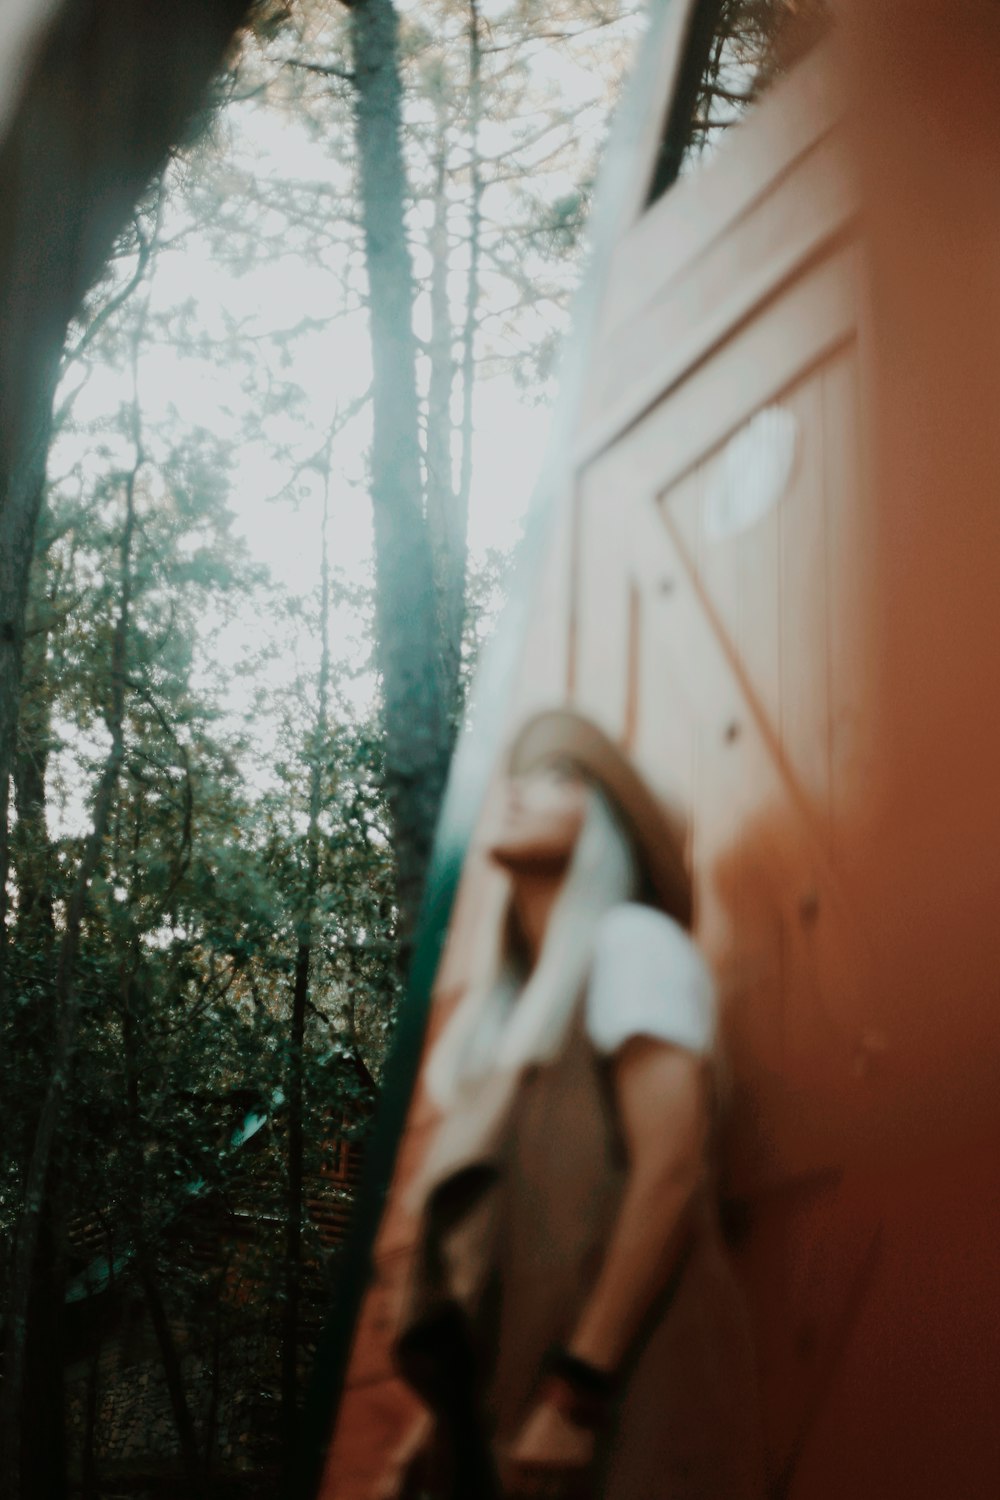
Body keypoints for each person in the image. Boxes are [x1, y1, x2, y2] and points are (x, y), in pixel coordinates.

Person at [390, 710, 762, 1500]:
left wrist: (577, 1391)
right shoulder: (518, 1021)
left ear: (610, 829)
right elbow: (502, 1255)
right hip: (510, 1431)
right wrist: (435, 1430)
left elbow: (671, 1170)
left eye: (560, 777)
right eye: (519, 774)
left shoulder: (634, 943)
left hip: (625, 1417)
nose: (519, 791)